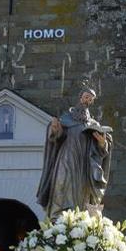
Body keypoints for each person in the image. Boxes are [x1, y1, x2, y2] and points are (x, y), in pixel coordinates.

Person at [36, 87, 114, 216]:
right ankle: (58, 220)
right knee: (61, 186)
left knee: (82, 193)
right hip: (66, 158)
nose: (87, 100)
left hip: (84, 163)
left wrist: (102, 143)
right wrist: (55, 129)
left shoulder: (93, 124)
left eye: (90, 99)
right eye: (86, 97)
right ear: (80, 97)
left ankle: (79, 223)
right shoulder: (66, 119)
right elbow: (57, 137)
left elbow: (101, 150)